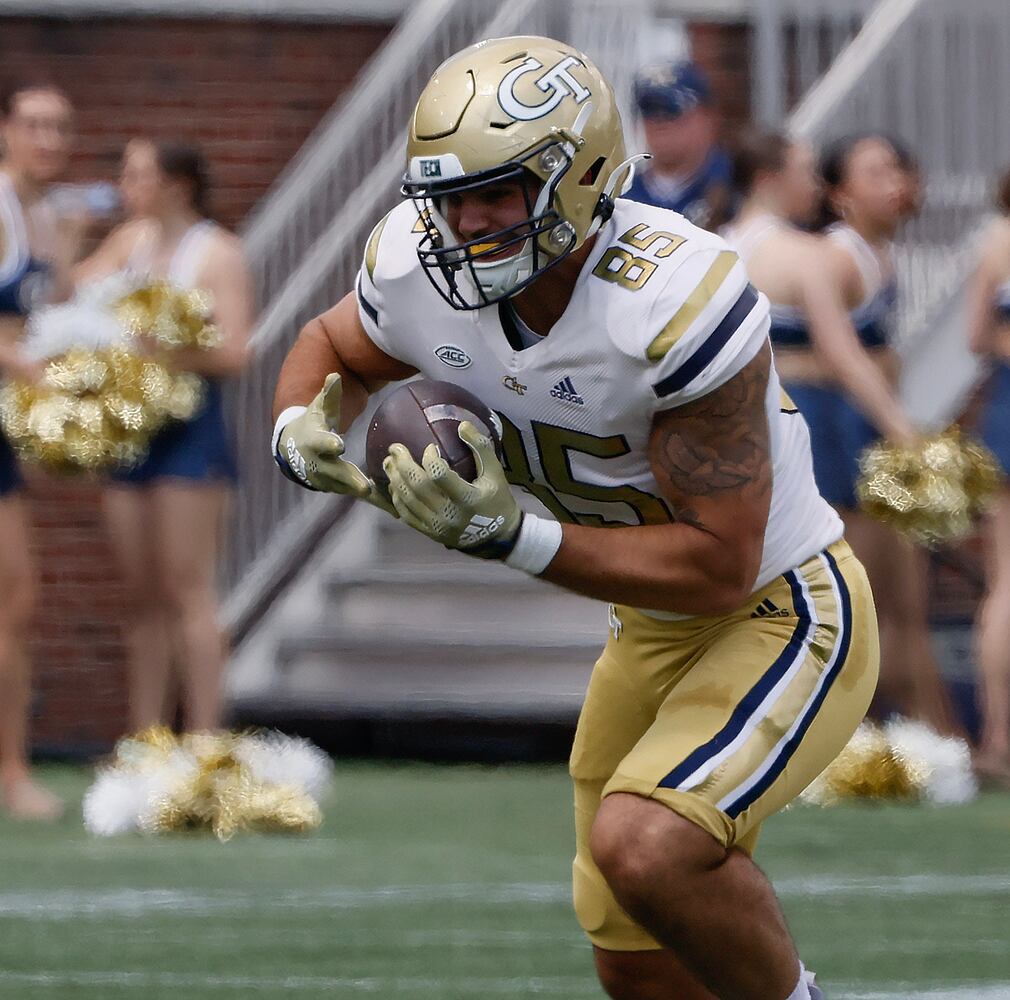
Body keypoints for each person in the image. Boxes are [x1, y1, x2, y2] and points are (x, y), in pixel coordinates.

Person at [272, 37, 878, 1000]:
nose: (465, 226)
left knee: (647, 847)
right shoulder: (417, 269)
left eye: (497, 194)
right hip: (650, 630)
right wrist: (298, 423)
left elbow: (722, 564)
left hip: (780, 607)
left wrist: (510, 534)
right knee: (633, 961)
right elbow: (334, 342)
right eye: (449, 198)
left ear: (583, 178)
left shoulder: (674, 298)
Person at [75, 139, 252, 733]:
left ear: (177, 184)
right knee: (141, 594)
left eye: (138, 175)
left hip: (190, 430)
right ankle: (144, 739)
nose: (126, 185)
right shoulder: (131, 240)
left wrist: (165, 350)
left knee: (187, 589)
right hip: (130, 431)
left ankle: (204, 743)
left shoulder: (216, 251)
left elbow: (234, 350)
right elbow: (68, 295)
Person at [792, 133, 961, 737]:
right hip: (839, 437)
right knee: (864, 599)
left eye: (899, 167)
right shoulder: (837, 256)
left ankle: (931, 734)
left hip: (869, 432)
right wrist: (906, 435)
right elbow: (833, 355)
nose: (895, 181)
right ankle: (856, 740)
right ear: (839, 194)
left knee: (903, 601)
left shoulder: (878, 253)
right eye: (875, 171)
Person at [0, 80, 80, 820]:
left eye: (60, 126)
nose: (49, 139)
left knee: (17, 603)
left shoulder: (49, 219)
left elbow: (55, 319)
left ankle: (11, 768)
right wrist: (18, 360)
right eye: (34, 124)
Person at [965, 165, 1010, 785]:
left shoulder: (997, 238)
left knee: (1003, 581)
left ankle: (998, 738)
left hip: (1004, 407)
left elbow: (979, 336)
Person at [624, 60, 734, 230]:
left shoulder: (737, 186)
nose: (660, 123)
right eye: (650, 111)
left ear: (707, 117)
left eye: (672, 111)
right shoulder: (624, 195)